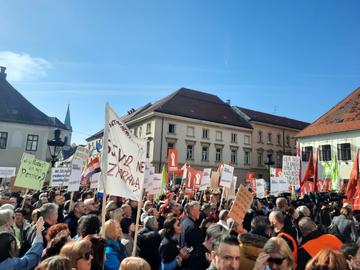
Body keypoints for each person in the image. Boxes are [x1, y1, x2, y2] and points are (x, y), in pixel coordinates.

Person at [180, 201, 203, 270]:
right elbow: (194, 247)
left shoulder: (184, 221)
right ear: (193, 211)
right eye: (199, 210)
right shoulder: (192, 227)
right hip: (190, 263)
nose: (200, 212)